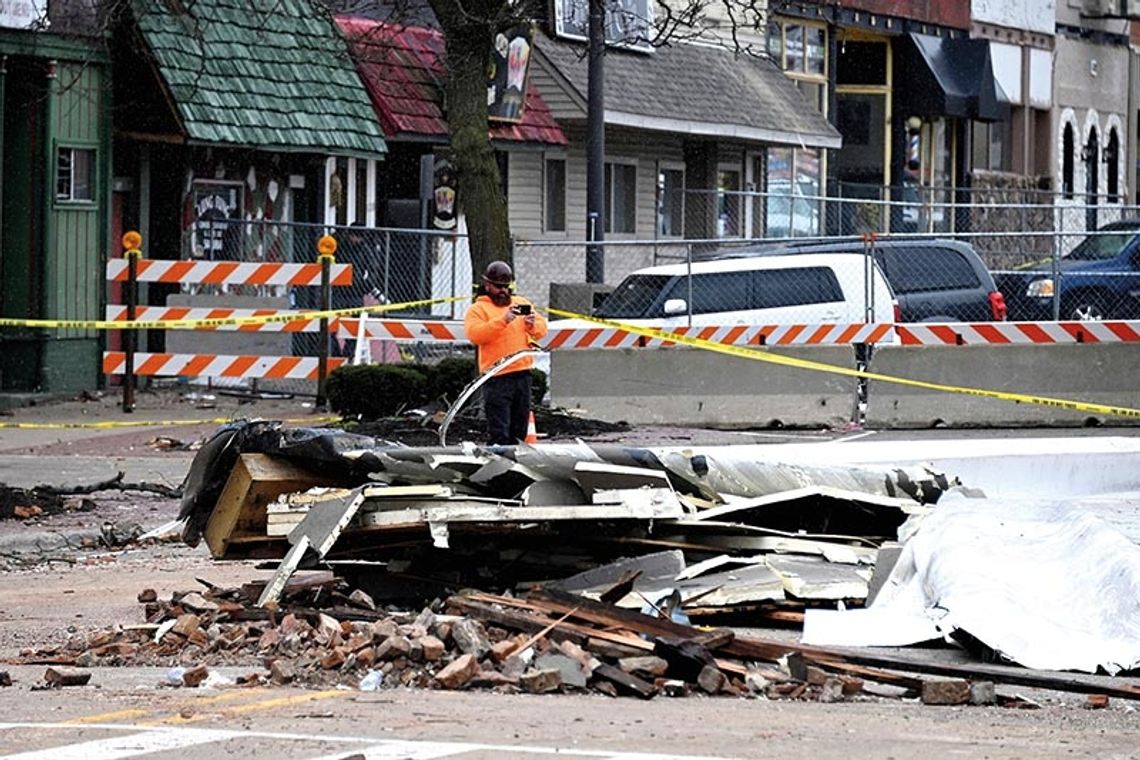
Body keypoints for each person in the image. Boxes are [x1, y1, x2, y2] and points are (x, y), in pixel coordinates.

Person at [463, 260, 548, 445]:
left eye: (505, 287)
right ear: (487, 285)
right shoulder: (478, 309)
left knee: (519, 429)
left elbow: (542, 329)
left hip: (522, 374)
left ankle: (515, 463)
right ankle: (497, 463)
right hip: (496, 376)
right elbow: (476, 335)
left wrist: (533, 325)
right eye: (498, 287)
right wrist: (502, 320)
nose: (502, 291)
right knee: (499, 428)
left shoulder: (520, 303)